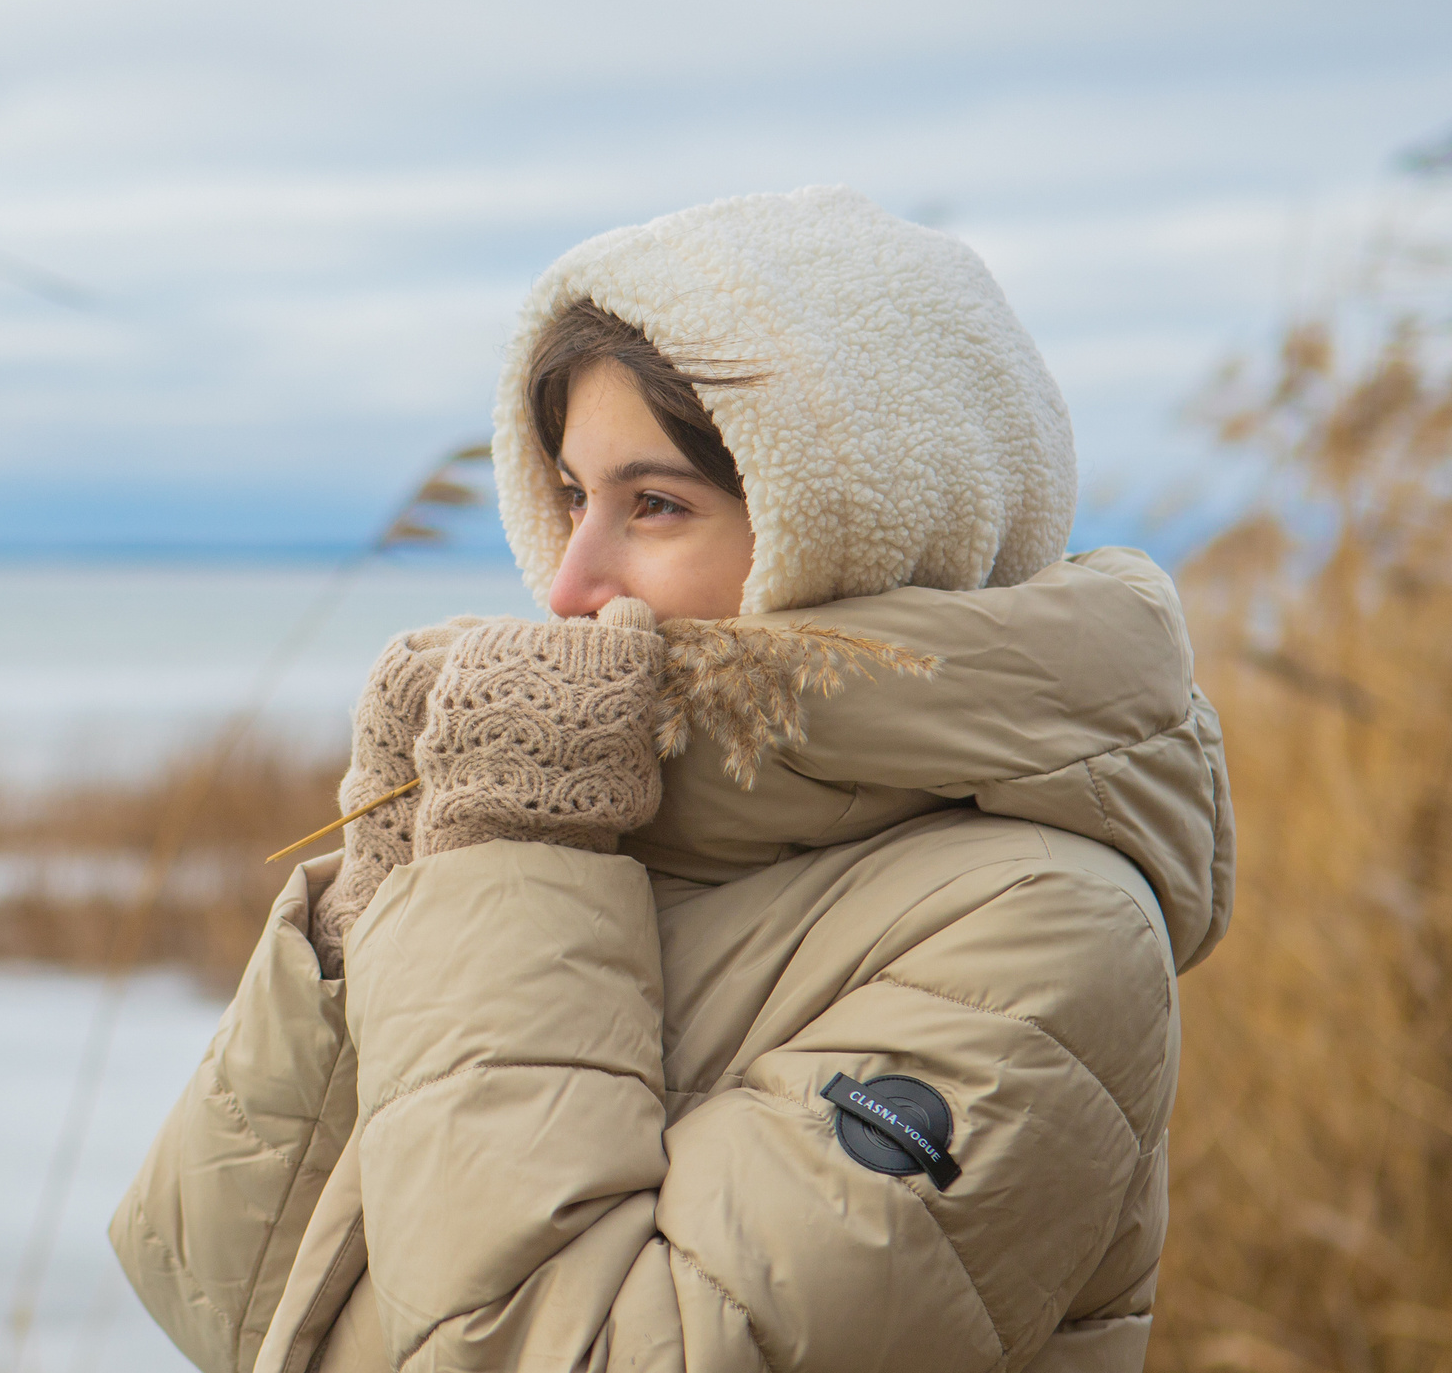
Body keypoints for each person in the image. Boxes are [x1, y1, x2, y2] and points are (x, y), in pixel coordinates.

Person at [110, 186, 1234, 1372]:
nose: (568, 583)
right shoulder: (625, 827)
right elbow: (224, 1291)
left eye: (652, 504)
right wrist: (390, 895)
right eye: (566, 499)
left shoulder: (1043, 936)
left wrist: (508, 859)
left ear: (856, 530)